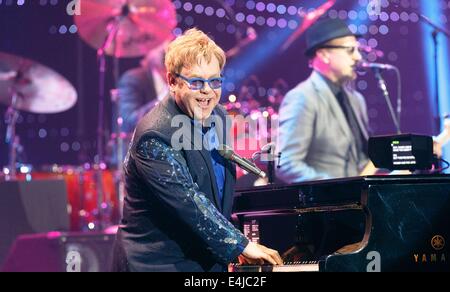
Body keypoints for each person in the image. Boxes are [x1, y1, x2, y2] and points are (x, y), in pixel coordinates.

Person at [112, 28, 283, 272]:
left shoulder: (219, 118)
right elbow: (188, 202)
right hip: (158, 264)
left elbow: (216, 194)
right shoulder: (155, 135)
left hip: (204, 261)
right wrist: (240, 245)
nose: (207, 91)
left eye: (215, 81)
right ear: (172, 81)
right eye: (196, 82)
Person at [277, 18, 370, 183]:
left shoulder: (357, 100)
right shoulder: (302, 97)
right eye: (350, 50)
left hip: (358, 202)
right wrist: (340, 188)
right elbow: (286, 164)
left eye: (358, 49)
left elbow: (360, 160)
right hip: (327, 205)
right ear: (324, 54)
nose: (358, 57)